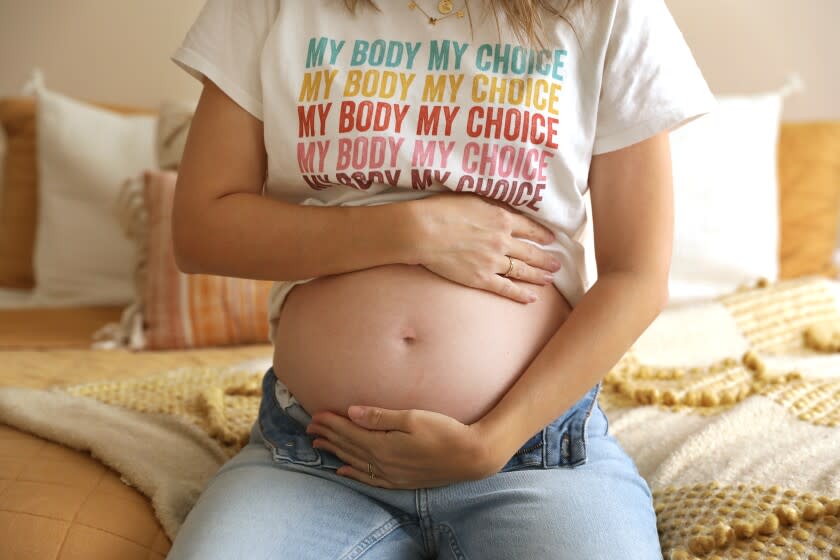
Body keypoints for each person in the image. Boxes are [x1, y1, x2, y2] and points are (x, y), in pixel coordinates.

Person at [165, 0, 715, 558]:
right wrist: (414, 231)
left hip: (535, 456)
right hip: (315, 458)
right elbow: (200, 229)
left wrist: (489, 443)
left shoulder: (610, 9)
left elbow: (637, 275)